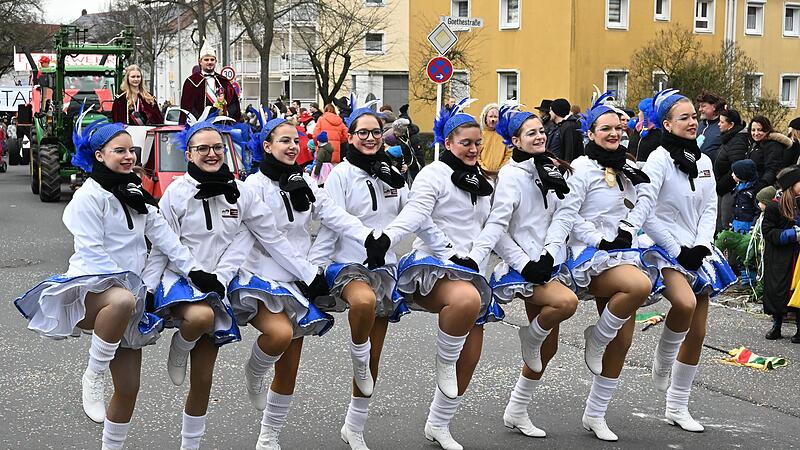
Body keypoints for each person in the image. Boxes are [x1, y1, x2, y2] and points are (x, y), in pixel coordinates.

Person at [13, 118, 221, 450]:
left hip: (127, 299)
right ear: (98, 155)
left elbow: (165, 238)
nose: (128, 157)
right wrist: (132, 288)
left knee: (128, 387)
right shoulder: (88, 197)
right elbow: (93, 254)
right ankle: (92, 375)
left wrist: (194, 271)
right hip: (91, 290)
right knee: (122, 300)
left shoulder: (135, 194)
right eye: (118, 151)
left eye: (131, 151)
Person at [232, 115, 378, 449]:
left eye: (295, 141)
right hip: (262, 278)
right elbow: (271, 240)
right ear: (266, 146)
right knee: (278, 336)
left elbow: (332, 215)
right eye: (283, 141)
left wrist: (371, 236)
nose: (292, 146)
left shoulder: (304, 183)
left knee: (290, 364)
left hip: (298, 280)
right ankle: (254, 371)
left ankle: (268, 436)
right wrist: (311, 275)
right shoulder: (252, 187)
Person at [379, 98, 504, 450]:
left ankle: (440, 422)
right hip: (433, 264)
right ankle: (443, 360)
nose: (473, 149)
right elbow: (419, 216)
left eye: (478, 143)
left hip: (472, 268)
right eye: (465, 142)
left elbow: (493, 226)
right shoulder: (433, 174)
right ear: (447, 143)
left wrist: (478, 257)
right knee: (466, 299)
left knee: (473, 353)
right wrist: (447, 252)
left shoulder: (483, 181)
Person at [308, 99, 432, 450]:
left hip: (385, 268)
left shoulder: (392, 170)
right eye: (362, 132)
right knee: (362, 303)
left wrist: (449, 250)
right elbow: (331, 223)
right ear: (350, 135)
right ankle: (357, 356)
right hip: (348, 264)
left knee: (375, 354)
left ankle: (355, 425)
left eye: (376, 132)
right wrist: (314, 269)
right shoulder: (342, 175)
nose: (370, 138)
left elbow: (416, 215)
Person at [627, 89, 736, 433]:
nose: (692, 123)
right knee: (684, 304)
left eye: (694, 116)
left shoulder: (703, 161)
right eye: (684, 118)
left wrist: (702, 244)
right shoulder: (658, 159)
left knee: (699, 331)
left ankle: (677, 405)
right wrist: (678, 250)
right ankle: (663, 356)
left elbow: (709, 207)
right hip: (663, 248)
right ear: (667, 124)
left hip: (696, 248)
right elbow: (650, 213)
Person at [546, 98, 654, 441]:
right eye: (604, 128)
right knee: (639, 286)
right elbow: (569, 213)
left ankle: (596, 413)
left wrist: (629, 228)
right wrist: (599, 238)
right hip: (591, 254)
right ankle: (596, 335)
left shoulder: (630, 164)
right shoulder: (580, 167)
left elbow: (645, 202)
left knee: (623, 339)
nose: (612, 134)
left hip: (624, 249)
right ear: (590, 133)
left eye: (617, 128)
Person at [469, 105, 578, 439]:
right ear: (514, 140)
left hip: (549, 261)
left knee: (550, 347)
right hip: (520, 267)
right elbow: (498, 228)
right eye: (531, 133)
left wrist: (551, 252)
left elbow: (563, 215)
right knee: (566, 303)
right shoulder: (510, 178)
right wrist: (526, 263)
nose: (540, 137)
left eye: (541, 132)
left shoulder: (553, 169)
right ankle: (530, 334)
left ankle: (516, 410)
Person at [762, 166, 800, 343]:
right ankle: (776, 325)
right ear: (791, 185)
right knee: (778, 290)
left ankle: (799, 329)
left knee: (797, 291)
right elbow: (769, 232)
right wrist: (793, 235)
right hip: (780, 256)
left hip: (797, 257)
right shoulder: (773, 207)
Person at [179, 42, 241, 123]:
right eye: (206, 60)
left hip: (222, 125)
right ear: (200, 62)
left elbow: (233, 103)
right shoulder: (191, 82)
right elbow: (187, 106)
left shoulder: (223, 81)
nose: (209, 62)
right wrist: (201, 121)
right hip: (199, 126)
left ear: (215, 61)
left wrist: (226, 113)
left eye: (212, 60)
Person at [713, 108, 748, 232]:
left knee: (725, 224)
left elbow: (736, 167)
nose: (718, 124)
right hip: (723, 187)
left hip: (729, 189)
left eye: (722, 122)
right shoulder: (729, 138)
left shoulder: (737, 141)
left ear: (731, 125)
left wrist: (721, 185)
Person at [746, 115, 791, 191]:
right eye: (753, 130)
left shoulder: (773, 145)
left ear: (767, 130)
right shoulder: (755, 144)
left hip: (764, 190)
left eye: (760, 130)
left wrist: (760, 185)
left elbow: (772, 169)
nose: (756, 133)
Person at [477, 103, 511, 182]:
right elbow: (476, 154)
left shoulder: (504, 135)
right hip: (483, 174)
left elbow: (509, 153)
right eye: (490, 116)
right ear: (485, 118)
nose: (493, 119)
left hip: (501, 174)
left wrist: (502, 167)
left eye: (495, 117)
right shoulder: (480, 135)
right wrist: (483, 168)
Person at [729, 159, 759, 234]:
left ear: (742, 174)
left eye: (735, 173)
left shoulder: (752, 192)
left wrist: (753, 226)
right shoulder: (739, 187)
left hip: (747, 226)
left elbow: (757, 210)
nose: (732, 175)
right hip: (736, 224)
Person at [695, 91, 725, 162]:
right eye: (699, 106)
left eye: (703, 106)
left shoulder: (723, 126)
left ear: (714, 107)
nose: (700, 109)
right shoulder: (700, 125)